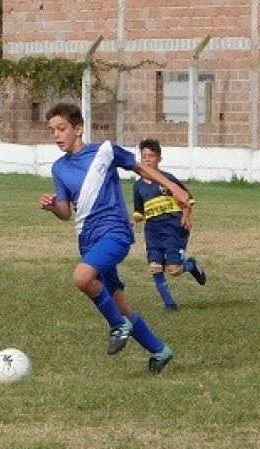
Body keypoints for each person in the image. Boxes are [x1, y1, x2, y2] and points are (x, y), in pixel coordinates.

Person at [38, 103, 188, 373]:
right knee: (120, 304)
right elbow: (65, 211)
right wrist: (52, 207)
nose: (57, 136)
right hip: (88, 240)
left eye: (61, 129)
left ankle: (118, 326)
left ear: (78, 128)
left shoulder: (104, 151)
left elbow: (140, 168)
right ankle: (160, 350)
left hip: (115, 232)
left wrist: (172, 186)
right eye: (52, 131)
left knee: (82, 277)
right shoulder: (59, 169)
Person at [132, 138, 206, 312]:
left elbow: (188, 199)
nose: (147, 160)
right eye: (144, 156)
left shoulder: (168, 179)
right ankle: (169, 304)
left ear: (159, 159)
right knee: (155, 267)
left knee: (174, 269)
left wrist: (186, 215)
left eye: (151, 156)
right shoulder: (138, 186)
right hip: (152, 230)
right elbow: (139, 212)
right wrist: (132, 221)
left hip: (173, 227)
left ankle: (191, 265)